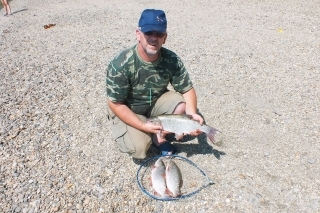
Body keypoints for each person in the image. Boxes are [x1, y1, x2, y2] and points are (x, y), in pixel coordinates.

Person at [106, 9, 203, 159]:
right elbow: (115, 104)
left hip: (154, 104)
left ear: (165, 38)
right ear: (138, 34)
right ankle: (146, 131)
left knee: (181, 104)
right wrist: (143, 126)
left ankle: (159, 137)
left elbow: (187, 89)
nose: (153, 38)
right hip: (128, 109)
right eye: (149, 33)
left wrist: (191, 115)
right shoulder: (121, 64)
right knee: (139, 148)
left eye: (159, 34)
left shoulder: (171, 59)